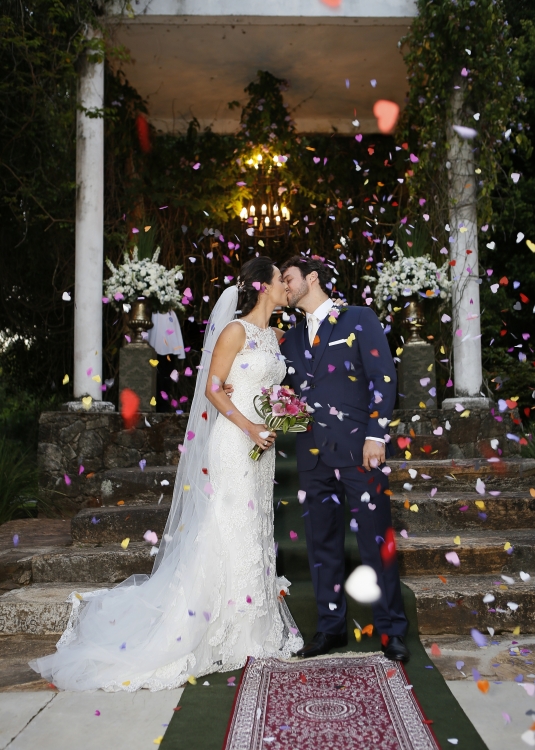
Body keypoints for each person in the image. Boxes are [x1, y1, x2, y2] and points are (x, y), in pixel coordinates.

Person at [29, 257, 302, 691]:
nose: (287, 286)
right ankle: (217, 628)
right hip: (235, 441)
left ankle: (254, 625)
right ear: (263, 286)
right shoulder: (235, 331)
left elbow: (263, 386)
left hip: (261, 446)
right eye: (280, 280)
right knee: (229, 525)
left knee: (255, 526)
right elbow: (212, 388)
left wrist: (280, 409)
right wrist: (250, 426)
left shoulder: (273, 335)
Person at [279, 255, 410, 663]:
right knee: (322, 545)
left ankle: (392, 630)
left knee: (375, 542)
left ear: (312, 278)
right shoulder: (291, 338)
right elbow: (287, 390)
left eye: (288, 279)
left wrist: (375, 434)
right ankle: (330, 627)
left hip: (360, 451)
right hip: (312, 456)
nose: (284, 287)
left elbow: (383, 377)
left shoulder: (358, 318)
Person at [146, 309, 186, 412]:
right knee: (154, 380)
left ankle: (163, 407)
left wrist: (178, 351)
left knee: (166, 380)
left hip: (169, 353)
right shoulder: (153, 312)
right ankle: (154, 407)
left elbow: (175, 332)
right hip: (153, 352)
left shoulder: (170, 313)